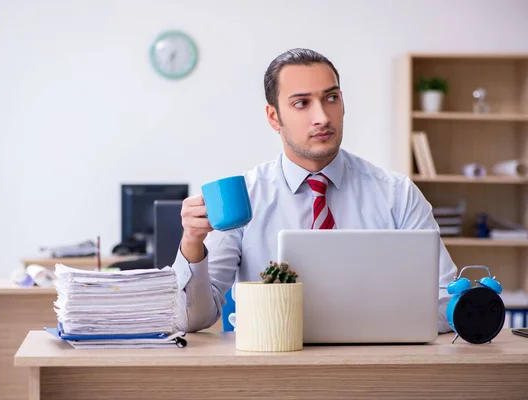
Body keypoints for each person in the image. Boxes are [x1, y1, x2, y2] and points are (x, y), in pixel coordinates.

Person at [172, 48, 458, 334]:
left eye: (331, 98)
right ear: (274, 117)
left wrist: (362, 327)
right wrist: (192, 242)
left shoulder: (398, 194)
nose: (322, 117)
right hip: (270, 366)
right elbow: (192, 320)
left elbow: (446, 300)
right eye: (301, 103)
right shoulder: (244, 196)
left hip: (371, 365)